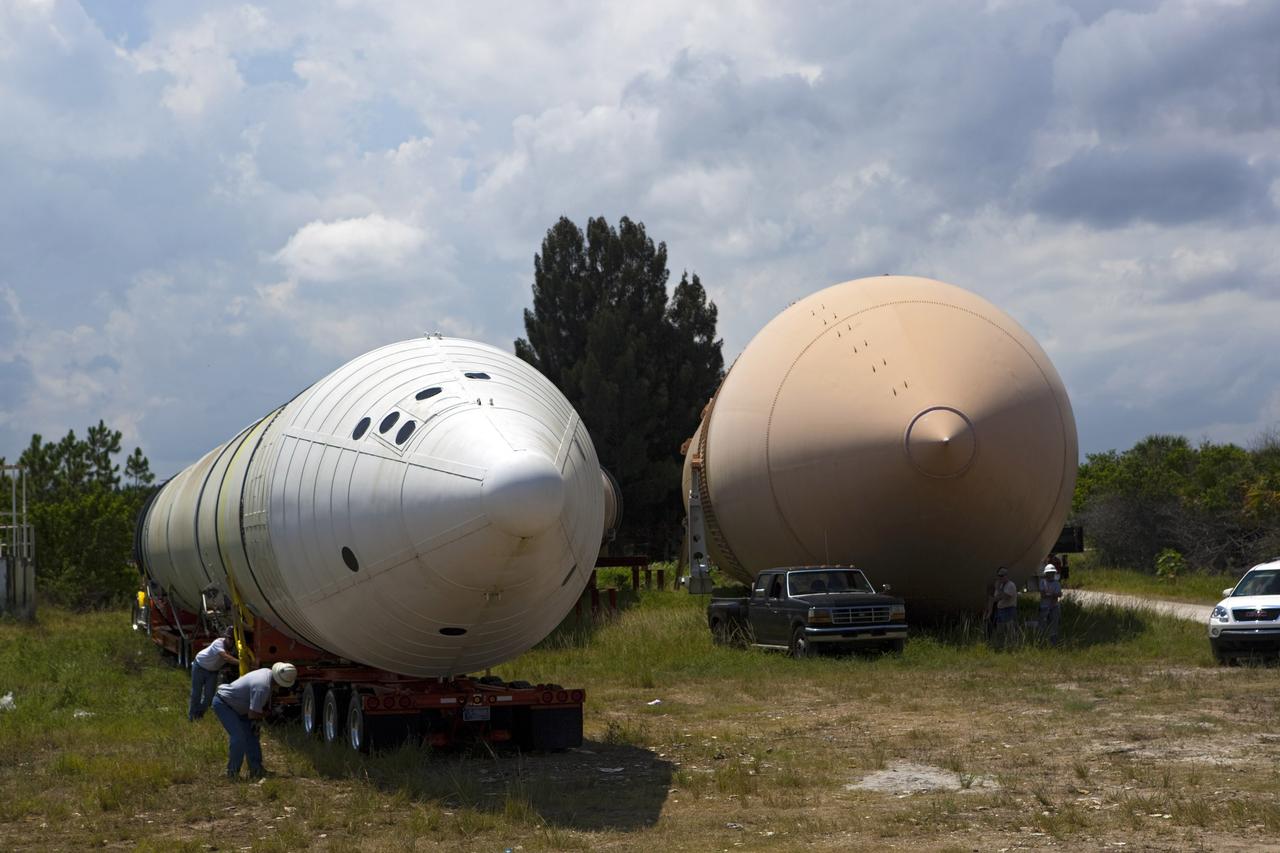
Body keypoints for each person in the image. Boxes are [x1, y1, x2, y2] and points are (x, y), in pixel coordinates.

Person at [211, 662, 297, 780]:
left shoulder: (267, 673)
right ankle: (232, 773)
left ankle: (256, 770)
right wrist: (270, 713)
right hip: (225, 704)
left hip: (239, 706)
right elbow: (253, 714)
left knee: (252, 735)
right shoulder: (262, 687)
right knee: (239, 737)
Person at [189, 627, 239, 721]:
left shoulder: (235, 648)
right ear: (225, 637)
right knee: (196, 693)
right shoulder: (218, 643)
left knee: (209, 697)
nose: (231, 642)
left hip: (213, 671)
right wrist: (242, 663)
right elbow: (225, 657)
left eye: (233, 640)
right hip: (200, 666)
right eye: (230, 639)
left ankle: (199, 714)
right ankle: (192, 717)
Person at [989, 567, 1019, 648]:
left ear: (1006, 576)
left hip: (1009, 610)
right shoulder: (1001, 586)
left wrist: (998, 589)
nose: (1000, 577)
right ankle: (1000, 646)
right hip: (1000, 610)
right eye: (999, 575)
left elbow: (1005, 596)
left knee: (1010, 630)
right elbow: (995, 598)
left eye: (1002, 575)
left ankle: (1012, 647)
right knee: (1000, 631)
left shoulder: (1011, 585)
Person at [1038, 564, 1063, 645]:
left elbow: (1059, 595)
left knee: (1054, 625)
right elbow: (1043, 595)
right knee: (1043, 625)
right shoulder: (1042, 582)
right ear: (1046, 573)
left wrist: (1049, 594)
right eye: (1049, 573)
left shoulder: (1057, 583)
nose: (1050, 574)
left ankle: (1053, 642)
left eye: (1052, 573)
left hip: (1054, 607)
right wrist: (1053, 594)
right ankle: (1043, 642)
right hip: (1044, 607)